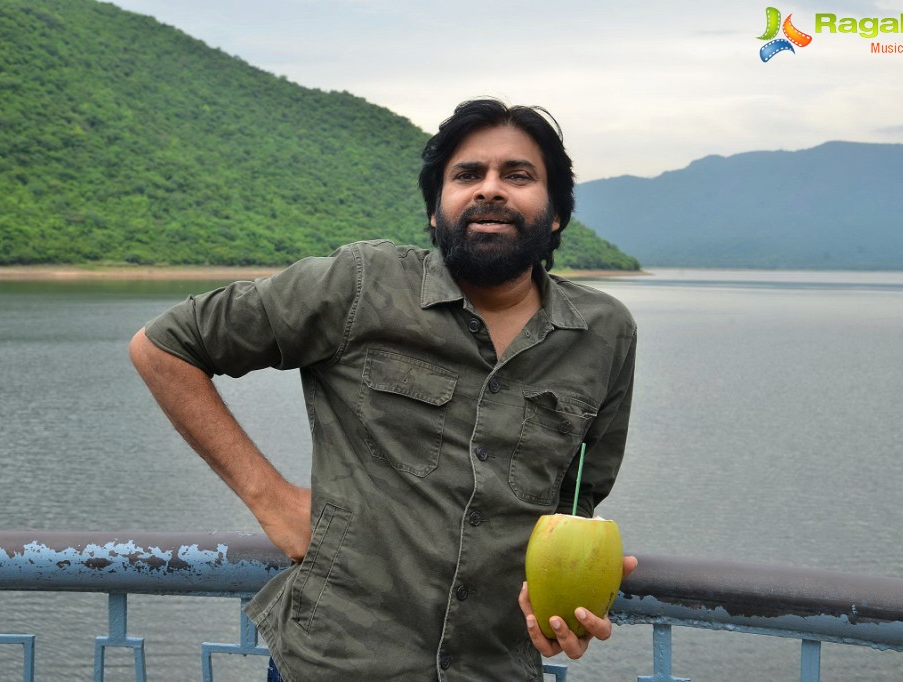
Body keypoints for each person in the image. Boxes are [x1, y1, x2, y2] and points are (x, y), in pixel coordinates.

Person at [129, 98, 638, 681]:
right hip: (338, 661)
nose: (490, 190)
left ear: (554, 215)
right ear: (434, 211)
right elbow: (164, 345)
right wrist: (269, 497)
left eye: (518, 175)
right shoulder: (362, 286)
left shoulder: (603, 332)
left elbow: (577, 498)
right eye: (467, 175)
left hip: (494, 668)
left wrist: (560, 602)